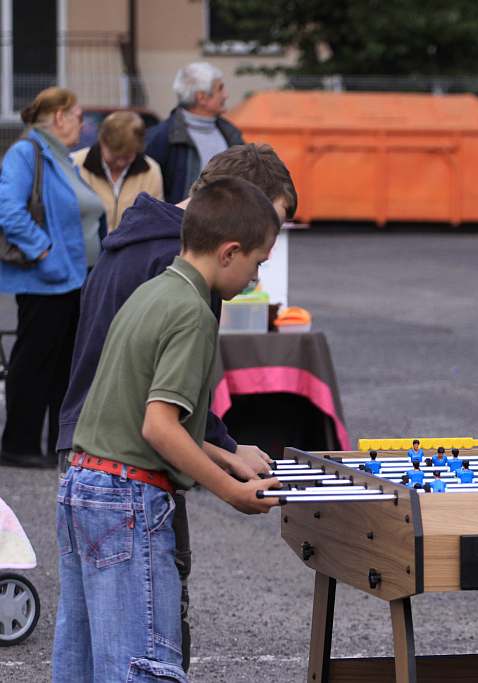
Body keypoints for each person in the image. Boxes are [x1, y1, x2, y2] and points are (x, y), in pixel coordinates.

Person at [55, 142, 297, 672]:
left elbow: (132, 401)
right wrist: (231, 488)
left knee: (80, 661)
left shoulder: (155, 287)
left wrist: (226, 451)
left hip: (85, 480)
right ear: (229, 247)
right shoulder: (188, 306)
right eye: (258, 259)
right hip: (128, 492)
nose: (258, 278)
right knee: (140, 663)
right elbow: (158, 425)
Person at [0, 87, 105, 469]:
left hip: (73, 279)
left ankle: (58, 444)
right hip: (48, 280)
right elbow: (7, 208)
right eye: (79, 115)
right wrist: (44, 251)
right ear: (59, 117)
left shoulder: (61, 158)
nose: (84, 123)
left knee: (63, 366)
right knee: (34, 363)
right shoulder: (26, 152)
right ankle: (19, 444)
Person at [145, 62, 244, 204]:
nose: (226, 95)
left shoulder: (231, 134)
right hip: (181, 225)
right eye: (220, 89)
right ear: (202, 97)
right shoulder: (161, 139)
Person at [71, 111, 163, 231]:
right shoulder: (74, 164)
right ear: (102, 142)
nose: (120, 163)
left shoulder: (151, 171)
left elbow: (155, 220)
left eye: (127, 156)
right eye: (115, 155)